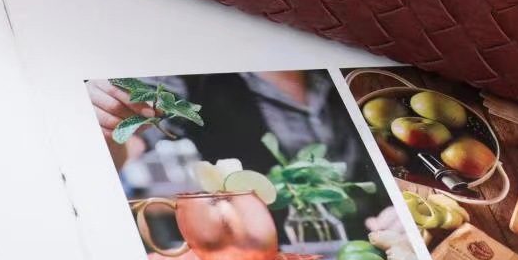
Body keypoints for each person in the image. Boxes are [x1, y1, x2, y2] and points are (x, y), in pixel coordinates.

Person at [88, 70, 370, 181]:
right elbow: (129, 146)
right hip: (274, 247)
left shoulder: (349, 74)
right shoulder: (188, 77)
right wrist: (104, 125)